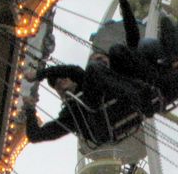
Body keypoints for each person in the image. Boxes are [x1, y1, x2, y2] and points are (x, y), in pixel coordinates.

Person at [23, 52, 157, 144]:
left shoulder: (85, 82)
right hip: (99, 126)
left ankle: (141, 93)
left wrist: (40, 74)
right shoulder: (70, 115)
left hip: (118, 108)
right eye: (57, 85)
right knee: (94, 69)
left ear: (73, 80)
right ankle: (140, 95)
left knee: (98, 67)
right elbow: (36, 135)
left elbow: (74, 71)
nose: (61, 84)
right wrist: (30, 109)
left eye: (63, 79)